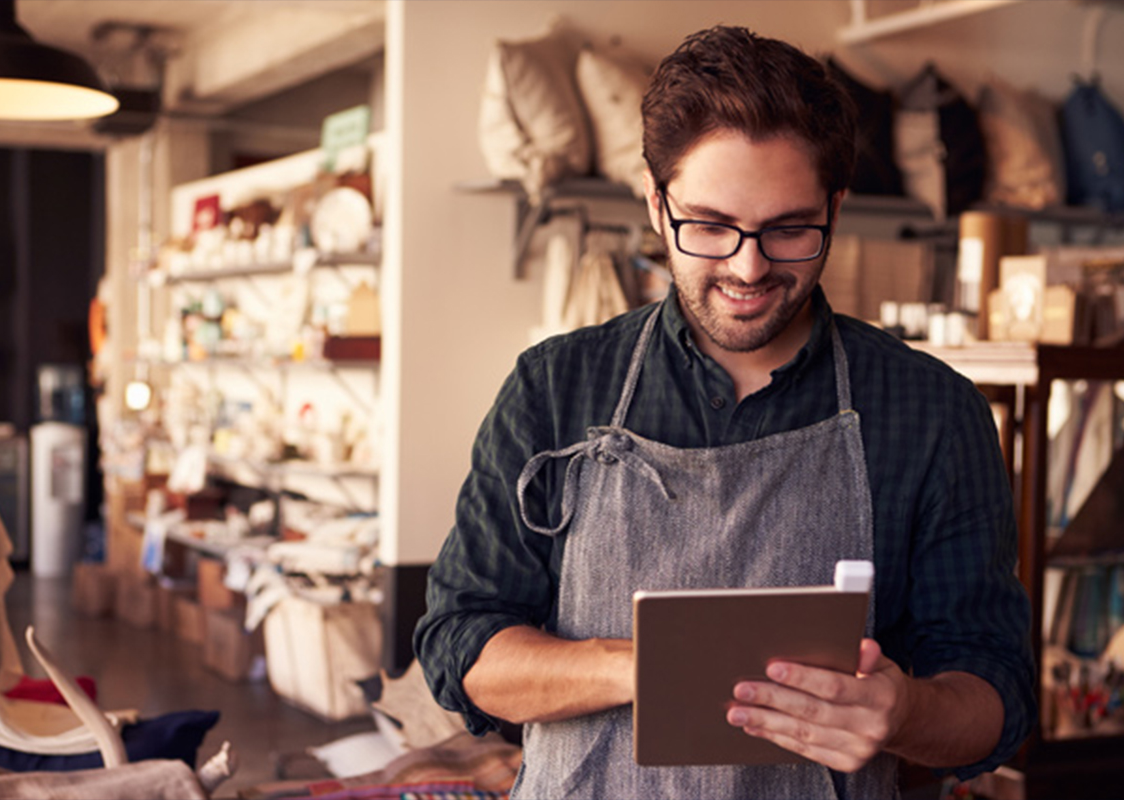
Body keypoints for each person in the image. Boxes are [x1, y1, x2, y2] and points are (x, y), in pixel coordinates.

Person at [414, 24, 1035, 800]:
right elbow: (459, 647)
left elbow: (996, 699)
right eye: (709, 226)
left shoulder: (931, 412)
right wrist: (643, 664)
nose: (748, 267)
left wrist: (905, 710)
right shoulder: (554, 387)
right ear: (655, 203)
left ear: (835, 208)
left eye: (788, 230)